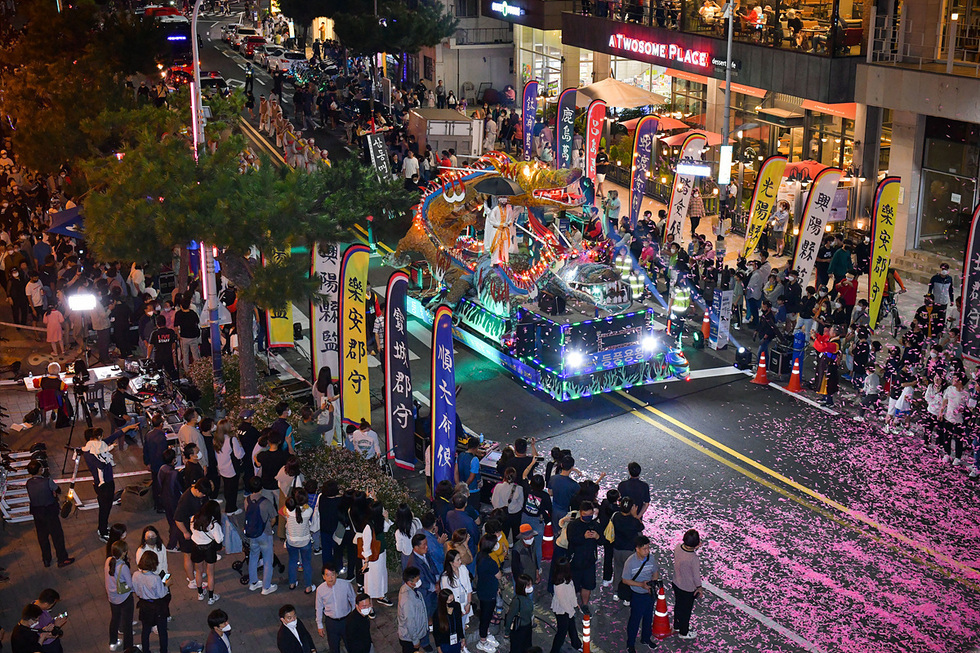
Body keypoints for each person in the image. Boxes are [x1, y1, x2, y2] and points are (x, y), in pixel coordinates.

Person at [25, 460, 74, 568]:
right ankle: (62, 559)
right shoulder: (47, 481)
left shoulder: (28, 483)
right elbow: (58, 490)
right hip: (49, 512)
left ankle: (46, 559)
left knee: (42, 537)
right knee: (57, 536)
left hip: (37, 513)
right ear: (39, 470)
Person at [82, 426, 124, 541]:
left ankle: (103, 527)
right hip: (104, 485)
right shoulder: (90, 453)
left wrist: (128, 428)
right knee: (105, 508)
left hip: (106, 482)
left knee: (105, 506)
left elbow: (112, 437)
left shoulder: (97, 446)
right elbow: (99, 465)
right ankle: (103, 532)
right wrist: (106, 461)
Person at [623, 535, 660, 653]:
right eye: (644, 549)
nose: (647, 551)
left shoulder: (651, 558)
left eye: (648, 548)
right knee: (635, 619)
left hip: (649, 593)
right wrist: (641, 585)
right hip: (637, 594)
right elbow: (625, 580)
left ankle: (645, 638)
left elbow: (655, 572)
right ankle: (631, 644)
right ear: (637, 549)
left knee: (648, 617)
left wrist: (653, 584)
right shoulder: (630, 562)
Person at [244, 477, 279, 595]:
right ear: (261, 487)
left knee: (253, 556)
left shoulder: (246, 500)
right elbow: (273, 518)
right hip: (265, 533)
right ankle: (266, 587)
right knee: (268, 560)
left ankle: (253, 583)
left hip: (252, 533)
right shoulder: (266, 502)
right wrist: (269, 526)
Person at [132, 550, 172, 653]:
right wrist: (167, 585)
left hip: (144, 606)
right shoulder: (155, 578)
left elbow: (135, 590)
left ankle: (146, 650)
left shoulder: (136, 575)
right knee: (162, 631)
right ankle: (163, 650)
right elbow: (161, 594)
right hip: (157, 607)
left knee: (145, 630)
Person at [565, 500, 602, 612]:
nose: (588, 517)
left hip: (589, 561)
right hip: (575, 561)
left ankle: (584, 605)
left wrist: (597, 537)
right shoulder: (573, 525)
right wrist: (583, 537)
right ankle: (572, 603)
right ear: (581, 513)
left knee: (588, 585)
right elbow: (571, 539)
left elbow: (603, 541)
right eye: (585, 515)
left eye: (590, 515)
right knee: (573, 586)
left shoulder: (595, 525)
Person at [283, 488, 320, 593]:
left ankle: (292, 583)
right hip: (305, 541)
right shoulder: (308, 511)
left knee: (292, 561)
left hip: (291, 541)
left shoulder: (288, 510)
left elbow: (287, 509)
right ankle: (308, 586)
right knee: (307, 563)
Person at [316, 562, 357, 653]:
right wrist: (319, 625)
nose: (330, 578)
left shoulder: (345, 585)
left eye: (333, 575)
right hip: (331, 623)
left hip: (346, 620)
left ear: (337, 574)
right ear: (323, 577)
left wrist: (354, 617)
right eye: (327, 575)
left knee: (351, 645)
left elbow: (353, 600)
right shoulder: (320, 590)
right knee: (334, 648)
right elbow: (319, 607)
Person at [175, 479, 209, 588]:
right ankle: (191, 580)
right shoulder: (185, 500)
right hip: (186, 531)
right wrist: (185, 532)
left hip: (194, 530)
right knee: (188, 555)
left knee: (194, 553)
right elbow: (177, 519)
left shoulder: (197, 495)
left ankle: (195, 573)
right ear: (198, 490)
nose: (204, 496)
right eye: (203, 494)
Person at [190, 500, 224, 605]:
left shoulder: (194, 518)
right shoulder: (213, 524)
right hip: (209, 549)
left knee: (198, 571)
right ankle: (211, 597)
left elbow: (192, 530)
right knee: (210, 574)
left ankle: (200, 593)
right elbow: (219, 539)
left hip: (196, 547)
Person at [673, 529, 704, 640]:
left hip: (676, 582)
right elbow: (696, 576)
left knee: (678, 605)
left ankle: (677, 625)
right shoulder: (693, 558)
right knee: (686, 611)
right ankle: (683, 631)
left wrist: (695, 547)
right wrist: (699, 588)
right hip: (687, 588)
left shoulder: (677, 548)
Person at [105, 541, 135, 652]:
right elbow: (130, 584)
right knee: (127, 623)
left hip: (112, 597)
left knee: (115, 619)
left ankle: (113, 642)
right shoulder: (122, 567)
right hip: (124, 597)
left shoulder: (108, 561)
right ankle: (128, 647)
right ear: (123, 553)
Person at [213, 418, 245, 514]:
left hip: (222, 468)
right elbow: (239, 455)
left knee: (227, 488)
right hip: (231, 468)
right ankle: (231, 509)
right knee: (233, 489)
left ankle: (229, 505)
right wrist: (241, 447)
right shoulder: (232, 439)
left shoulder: (216, 439)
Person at [549, 559, 581, 653]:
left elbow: (572, 592)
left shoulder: (568, 579)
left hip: (568, 608)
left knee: (571, 626)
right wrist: (571, 611)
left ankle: (576, 644)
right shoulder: (559, 585)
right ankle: (554, 651)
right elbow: (563, 602)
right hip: (561, 610)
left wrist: (575, 604)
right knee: (562, 632)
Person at [397, 567, 430, 653]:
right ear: (410, 583)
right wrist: (415, 641)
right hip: (409, 639)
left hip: (413, 636)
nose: (419, 581)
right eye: (417, 579)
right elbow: (410, 622)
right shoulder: (407, 600)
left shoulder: (411, 590)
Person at [439, 549, 474, 630]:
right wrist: (457, 610)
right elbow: (447, 597)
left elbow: (469, 588)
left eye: (460, 558)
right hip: (455, 607)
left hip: (465, 603)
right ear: (451, 562)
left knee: (463, 623)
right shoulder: (445, 577)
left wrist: (468, 603)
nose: (460, 561)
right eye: (458, 560)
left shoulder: (463, 569)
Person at [143, 414, 170, 512]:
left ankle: (156, 504)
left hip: (153, 464)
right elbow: (163, 453)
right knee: (162, 486)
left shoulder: (149, 434)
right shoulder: (161, 437)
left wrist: (147, 462)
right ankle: (160, 506)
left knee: (155, 484)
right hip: (160, 465)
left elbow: (145, 450)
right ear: (161, 424)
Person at [158, 448, 183, 550]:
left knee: (171, 520)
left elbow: (159, 483)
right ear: (173, 460)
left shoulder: (161, 469)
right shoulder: (174, 474)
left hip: (165, 499)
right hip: (174, 500)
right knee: (176, 522)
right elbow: (180, 488)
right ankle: (171, 545)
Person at [505, 574, 535, 652]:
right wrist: (507, 631)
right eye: (528, 585)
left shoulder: (527, 597)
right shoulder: (517, 601)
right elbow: (510, 616)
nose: (531, 587)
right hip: (519, 629)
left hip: (528, 627)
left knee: (527, 647)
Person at [455, 437, 483, 514]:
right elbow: (471, 477)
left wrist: (459, 486)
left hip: (461, 489)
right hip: (472, 490)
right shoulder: (474, 460)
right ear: (477, 447)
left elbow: (456, 472)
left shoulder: (460, 455)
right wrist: (465, 487)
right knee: (473, 512)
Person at [433, 588, 466, 653]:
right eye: (449, 600)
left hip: (456, 640)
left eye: (452, 599)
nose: (452, 601)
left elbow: (459, 623)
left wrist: (462, 637)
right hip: (445, 643)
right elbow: (436, 632)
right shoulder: (438, 613)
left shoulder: (456, 606)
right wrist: (438, 648)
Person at [147, 314, 179, 379]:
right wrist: (174, 358)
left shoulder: (154, 333)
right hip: (168, 356)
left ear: (157, 324)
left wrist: (148, 357)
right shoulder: (171, 332)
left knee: (157, 375)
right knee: (171, 374)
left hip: (158, 357)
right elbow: (174, 345)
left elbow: (150, 346)